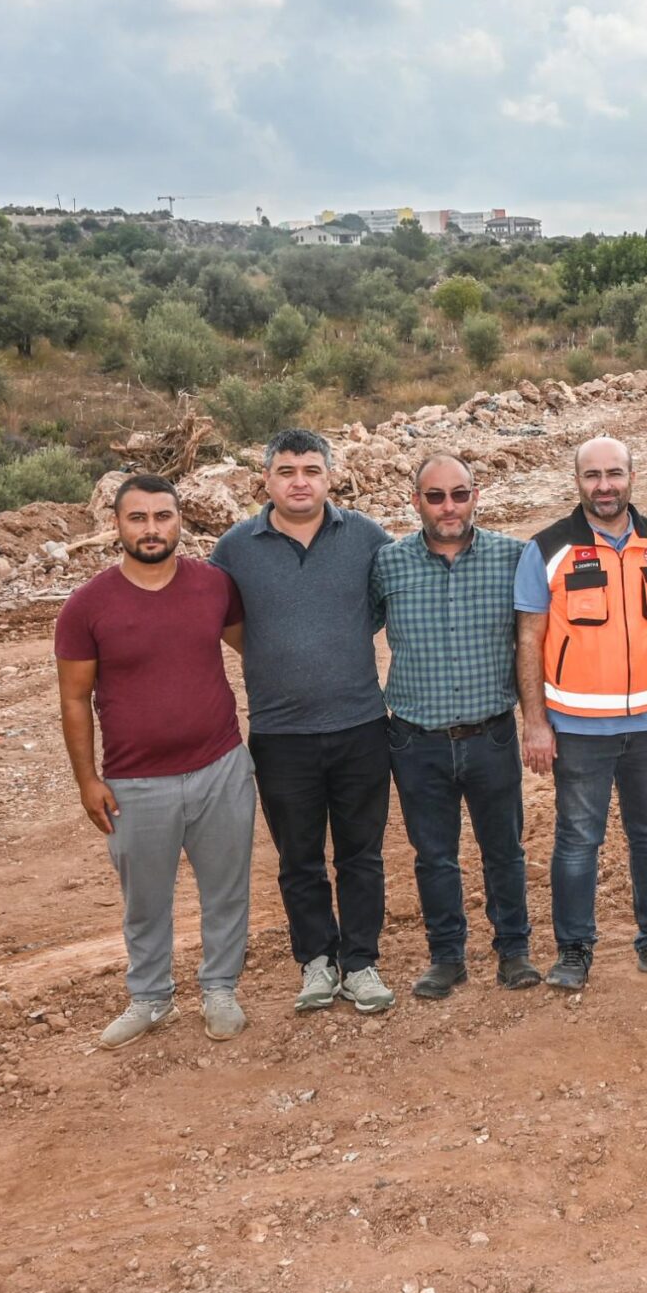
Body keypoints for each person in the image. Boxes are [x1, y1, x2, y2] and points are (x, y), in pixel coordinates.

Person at [55, 474, 255, 1049]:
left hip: (221, 768)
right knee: (145, 901)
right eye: (137, 518)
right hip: (134, 783)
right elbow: (74, 699)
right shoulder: (87, 606)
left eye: (162, 516)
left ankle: (220, 988)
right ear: (116, 524)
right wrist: (87, 780)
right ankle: (150, 997)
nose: (151, 529)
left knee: (226, 890)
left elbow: (256, 650)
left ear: (180, 521)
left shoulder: (215, 586)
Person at [210, 429, 398, 1017]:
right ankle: (317, 961)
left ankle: (362, 963)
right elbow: (228, 623)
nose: (299, 481)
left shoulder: (366, 536)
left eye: (311, 470)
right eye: (286, 470)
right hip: (280, 733)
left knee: (361, 854)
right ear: (265, 479)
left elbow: (390, 604)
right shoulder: (236, 547)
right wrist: (277, 654)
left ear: (330, 477)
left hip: (361, 725)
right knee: (299, 857)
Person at [515, 436, 647, 990]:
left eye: (614, 474)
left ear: (631, 477)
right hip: (578, 729)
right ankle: (574, 951)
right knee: (577, 840)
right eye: (592, 475)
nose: (604, 485)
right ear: (578, 481)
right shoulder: (548, 549)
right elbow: (529, 638)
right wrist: (535, 721)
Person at [372, 453, 538, 999]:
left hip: (490, 736)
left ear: (475, 496)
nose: (449, 507)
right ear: (416, 500)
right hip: (415, 740)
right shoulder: (387, 565)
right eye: (436, 496)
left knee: (505, 851)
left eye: (460, 494)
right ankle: (446, 957)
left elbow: (538, 642)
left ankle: (513, 951)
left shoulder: (513, 558)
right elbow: (351, 632)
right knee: (434, 856)